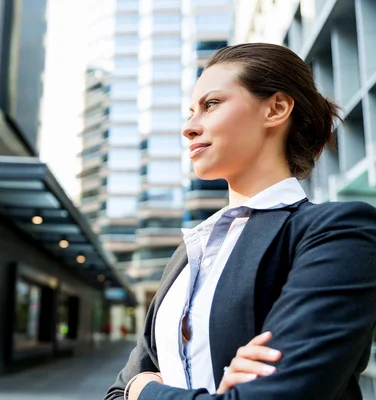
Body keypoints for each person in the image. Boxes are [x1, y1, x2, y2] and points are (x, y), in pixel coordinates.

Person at [105, 42, 376, 400]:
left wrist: (145, 391)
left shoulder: (338, 233)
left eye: (211, 104)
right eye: (190, 112)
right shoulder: (189, 254)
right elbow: (115, 392)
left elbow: (277, 397)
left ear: (276, 108)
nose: (189, 127)